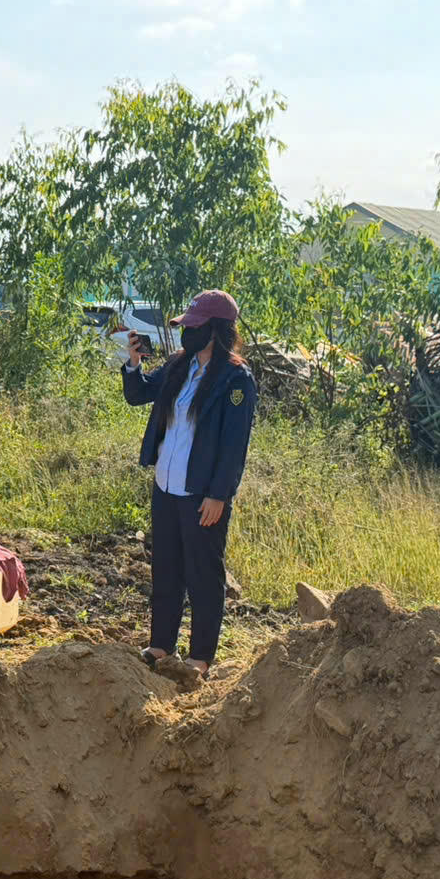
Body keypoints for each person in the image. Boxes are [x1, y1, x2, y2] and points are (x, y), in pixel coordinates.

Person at [121, 289, 258, 681]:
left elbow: (235, 445)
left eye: (194, 327)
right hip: (166, 485)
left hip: (201, 493)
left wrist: (219, 494)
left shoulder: (235, 379)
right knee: (166, 567)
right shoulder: (179, 365)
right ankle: (161, 644)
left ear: (215, 330)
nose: (186, 333)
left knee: (202, 575)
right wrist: (133, 363)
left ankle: (200, 657)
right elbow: (139, 395)